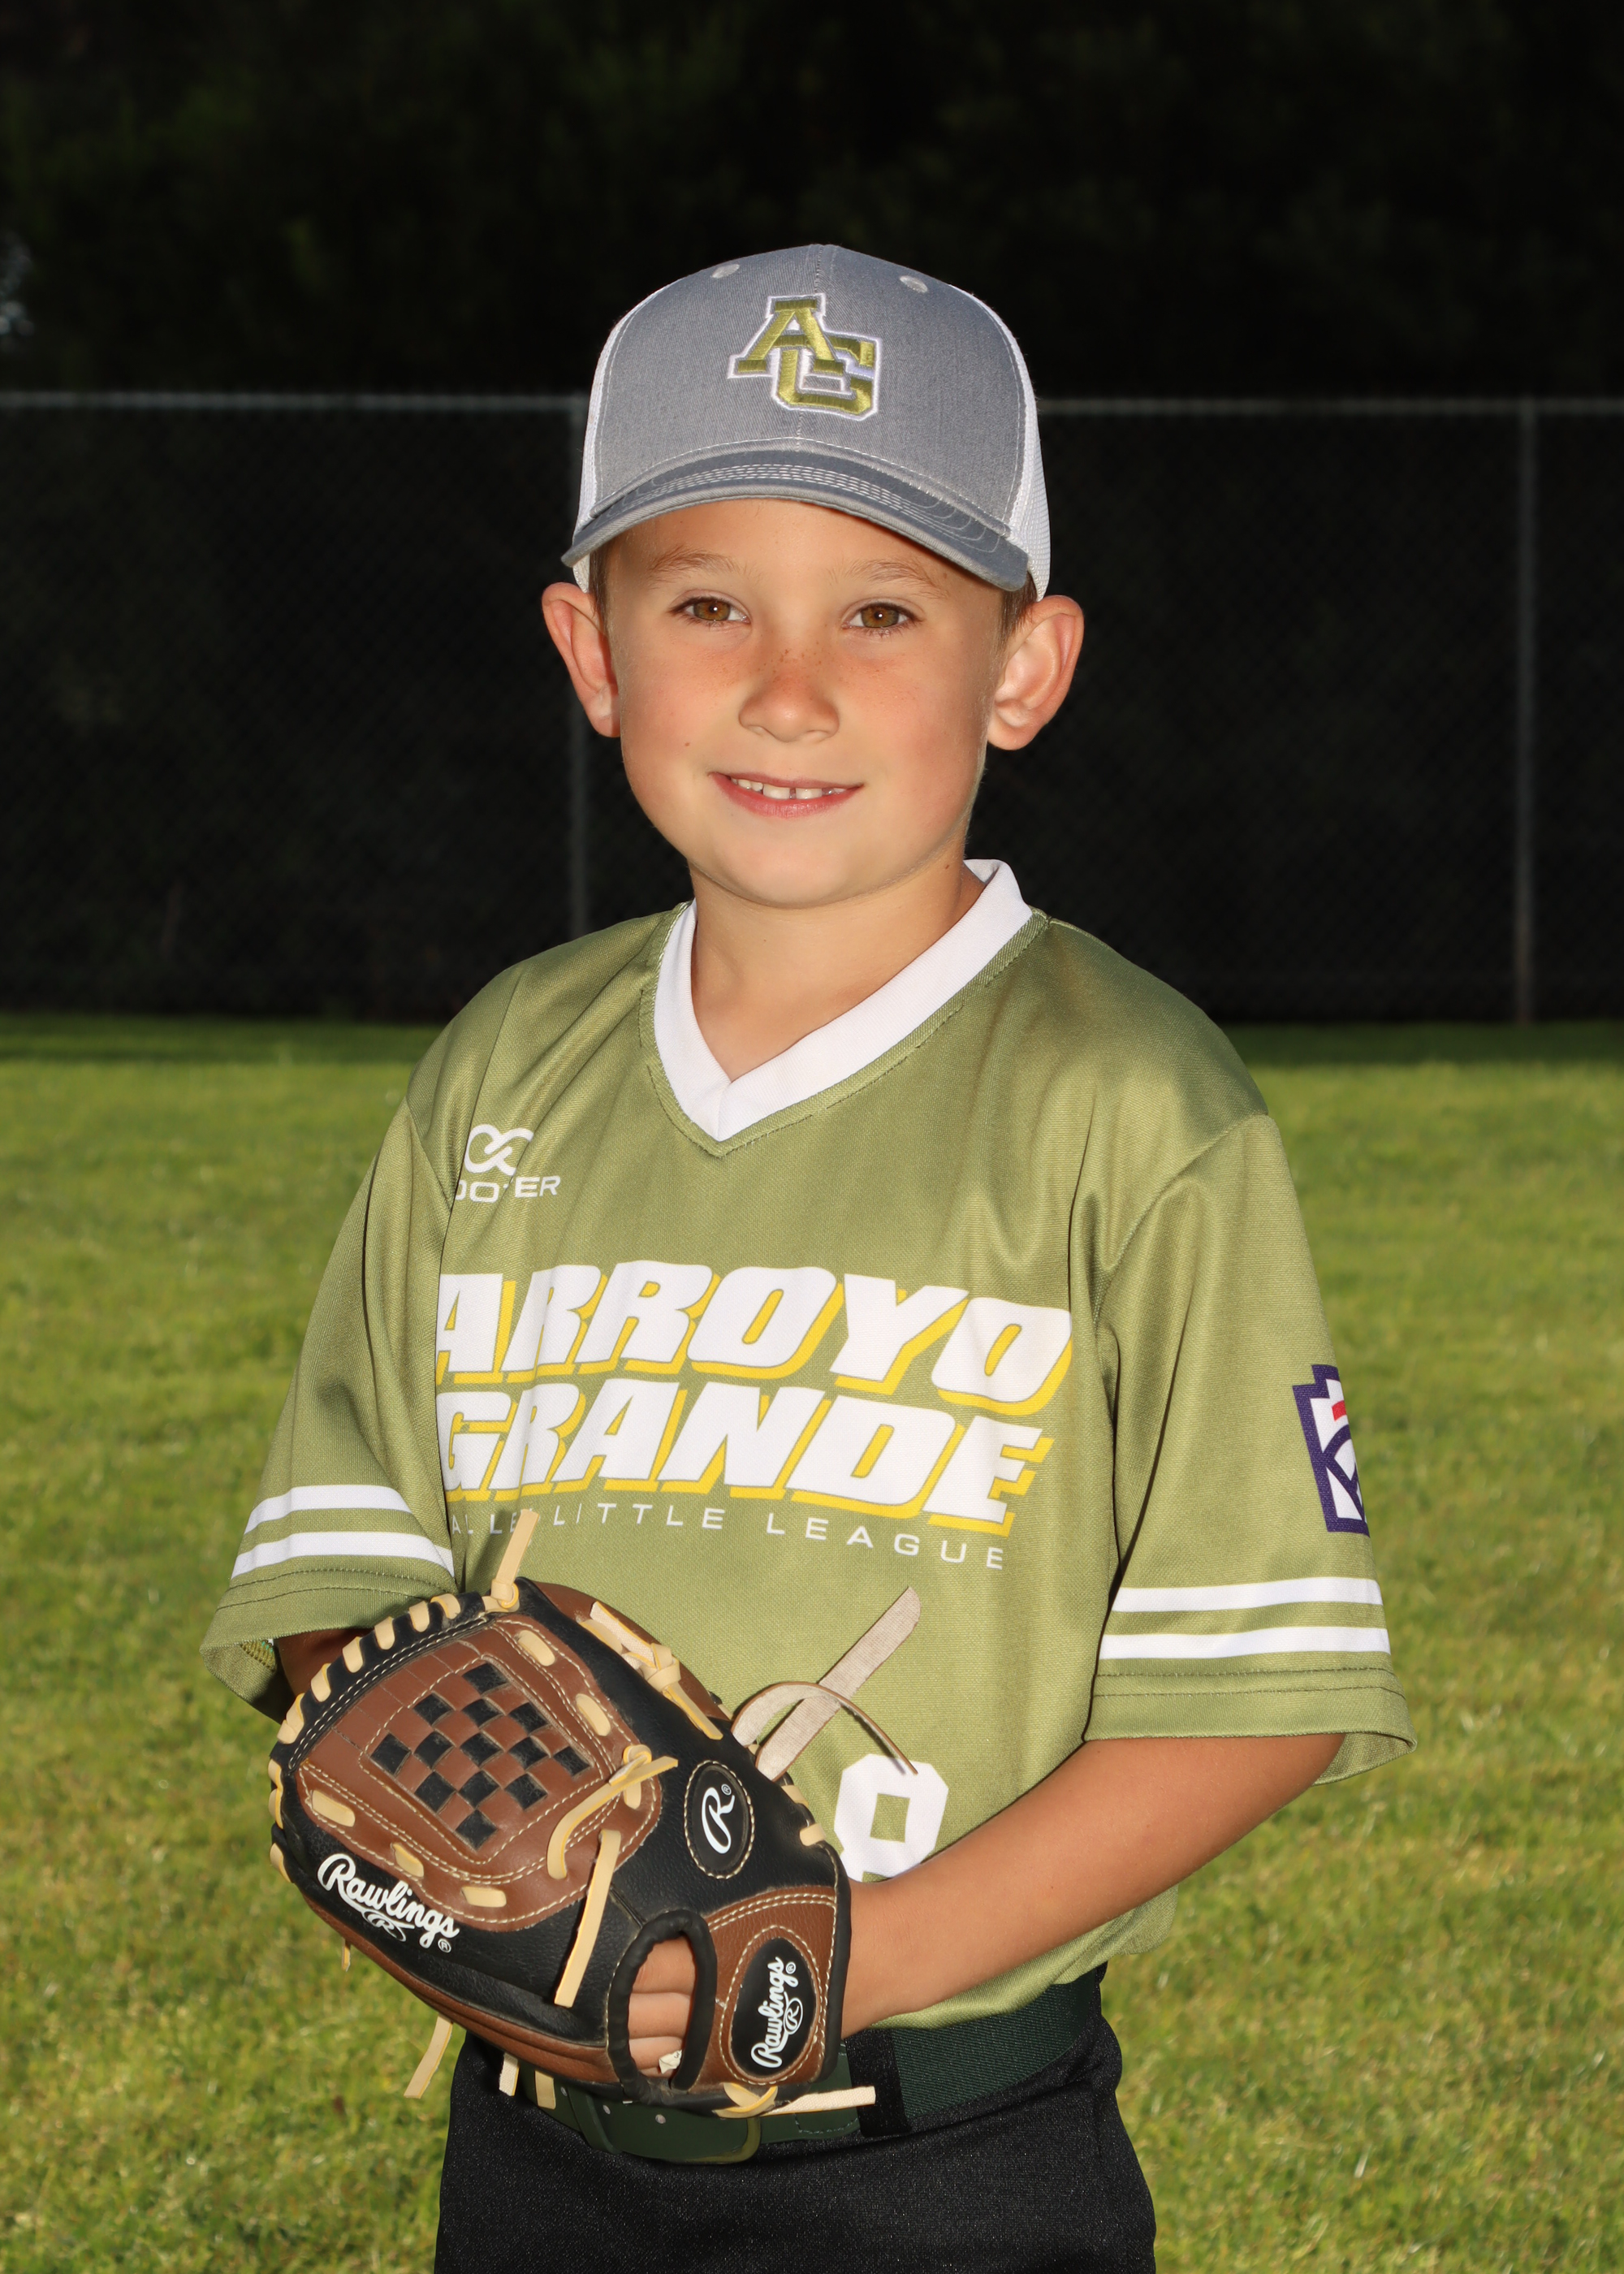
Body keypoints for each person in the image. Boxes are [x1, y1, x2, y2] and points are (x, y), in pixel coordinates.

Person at [204, 245, 1415, 2272]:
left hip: (953, 2160)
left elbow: (1256, 1690)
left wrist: (831, 1953)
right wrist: (483, 1846)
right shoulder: (506, 1065)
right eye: (707, 605)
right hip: (538, 2153)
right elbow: (344, 1570)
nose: (788, 687)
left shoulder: (1130, 1104)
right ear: (591, 650)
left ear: (1022, 664)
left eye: (881, 608)